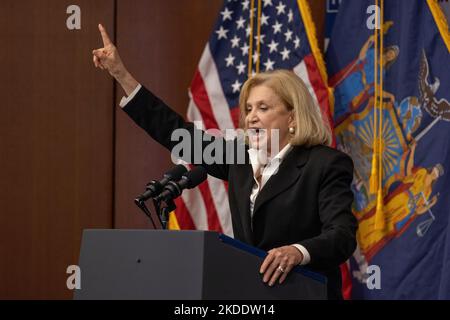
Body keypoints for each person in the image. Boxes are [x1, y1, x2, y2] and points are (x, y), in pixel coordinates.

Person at [92, 24, 357, 299]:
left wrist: (298, 252)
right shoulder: (238, 160)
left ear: (292, 117)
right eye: (249, 109)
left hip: (306, 292)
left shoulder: (325, 164)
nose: (251, 116)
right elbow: (177, 134)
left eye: (263, 108)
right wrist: (121, 74)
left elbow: (342, 235)